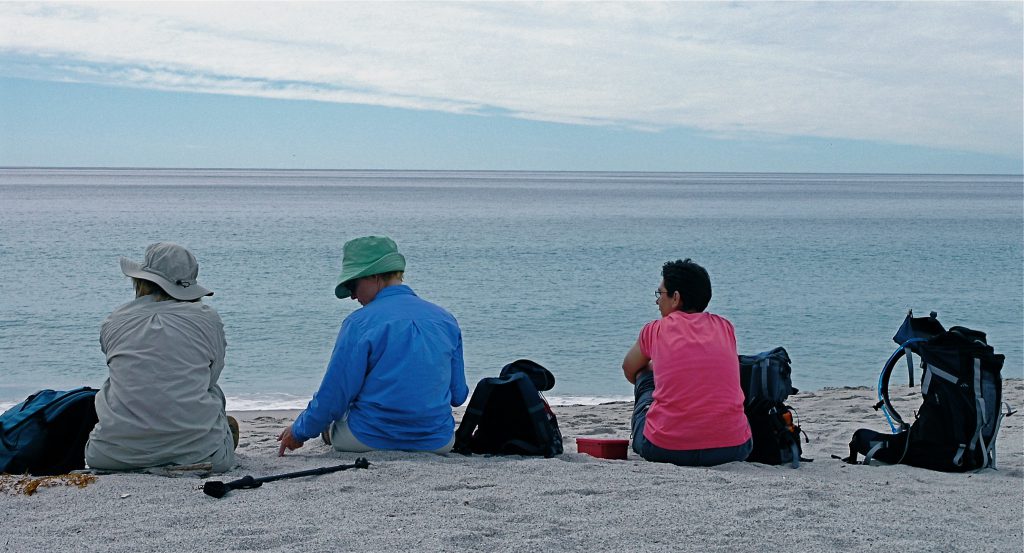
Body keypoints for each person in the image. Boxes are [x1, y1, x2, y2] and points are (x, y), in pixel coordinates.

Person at [277, 236, 469, 456]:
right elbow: (458, 394)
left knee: (335, 420)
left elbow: (333, 397)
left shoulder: (359, 323)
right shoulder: (446, 320)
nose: (352, 296)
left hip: (367, 438)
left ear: (375, 277)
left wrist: (299, 431)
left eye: (352, 285)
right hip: (436, 442)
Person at [86, 242, 238, 472]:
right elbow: (210, 377)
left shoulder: (114, 321)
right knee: (213, 392)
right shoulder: (207, 319)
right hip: (205, 457)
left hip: (109, 455)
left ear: (141, 281)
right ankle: (195, 440)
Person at [621, 258, 752, 466]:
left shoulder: (655, 329)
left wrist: (656, 371)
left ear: (676, 298)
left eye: (660, 294)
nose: (657, 301)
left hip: (664, 449)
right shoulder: (725, 327)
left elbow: (629, 369)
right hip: (734, 448)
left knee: (644, 375)